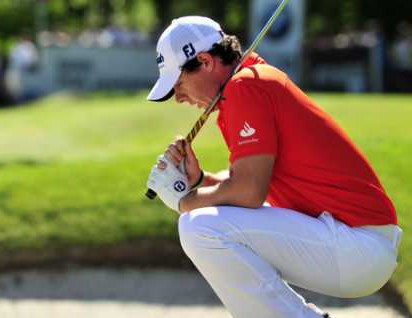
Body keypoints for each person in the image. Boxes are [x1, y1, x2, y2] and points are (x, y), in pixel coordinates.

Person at [146, 16, 401, 318]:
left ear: (204, 61)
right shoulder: (248, 84)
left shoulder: (245, 87)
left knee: (198, 227)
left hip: (357, 245)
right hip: (355, 245)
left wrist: (184, 200)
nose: (178, 97)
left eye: (178, 83)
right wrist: (201, 179)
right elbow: (250, 185)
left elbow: (250, 193)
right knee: (203, 223)